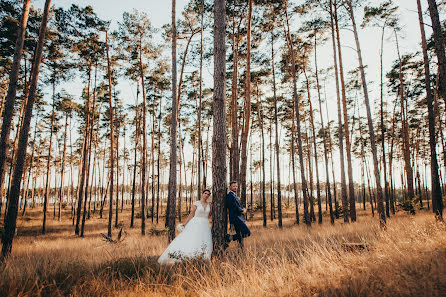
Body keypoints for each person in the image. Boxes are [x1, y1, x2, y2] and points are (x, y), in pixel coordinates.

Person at [157, 190, 213, 264]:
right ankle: (186, 256)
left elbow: (209, 215)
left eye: (208, 194)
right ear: (202, 194)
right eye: (205, 193)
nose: (206, 195)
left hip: (205, 224)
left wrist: (211, 206)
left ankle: (202, 257)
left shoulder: (209, 204)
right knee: (192, 239)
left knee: (204, 240)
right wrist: (185, 224)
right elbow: (191, 214)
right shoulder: (197, 203)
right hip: (195, 223)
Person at [225, 181, 251, 248]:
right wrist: (241, 210)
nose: (235, 187)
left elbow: (239, 205)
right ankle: (230, 237)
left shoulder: (234, 195)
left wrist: (244, 209)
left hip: (239, 217)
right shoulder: (230, 195)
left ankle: (240, 252)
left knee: (240, 236)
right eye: (234, 186)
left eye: (236, 186)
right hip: (236, 218)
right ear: (230, 187)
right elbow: (232, 206)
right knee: (247, 233)